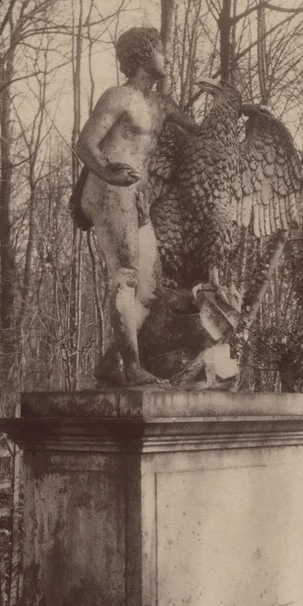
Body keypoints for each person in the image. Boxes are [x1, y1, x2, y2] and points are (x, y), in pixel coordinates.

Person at [71, 27, 203, 387]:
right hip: (107, 188)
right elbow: (85, 144)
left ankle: (113, 362)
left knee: (150, 286)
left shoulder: (161, 105)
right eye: (162, 51)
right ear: (144, 56)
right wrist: (108, 174)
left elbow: (200, 131)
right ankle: (132, 368)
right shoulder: (119, 97)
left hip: (137, 194)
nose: (169, 58)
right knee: (126, 274)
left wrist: (241, 109)